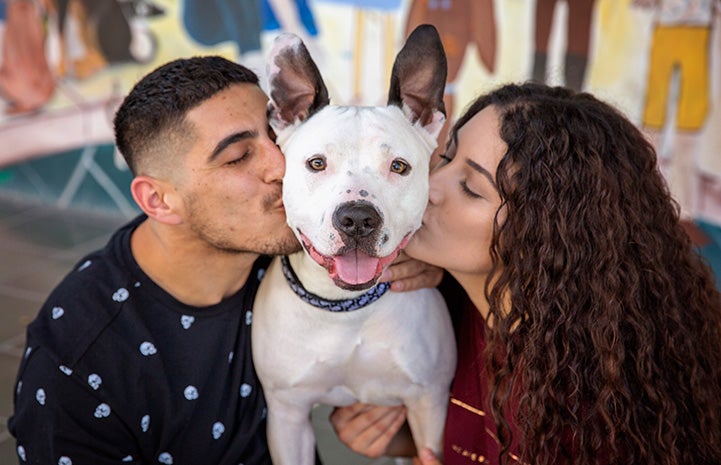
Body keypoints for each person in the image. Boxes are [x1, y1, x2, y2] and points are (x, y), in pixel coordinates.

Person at [8, 55, 440, 465]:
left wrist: (434, 268)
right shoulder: (77, 365)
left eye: (277, 136)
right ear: (158, 199)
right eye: (237, 156)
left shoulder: (304, 252)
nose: (281, 166)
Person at [331, 82, 721, 465]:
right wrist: (404, 439)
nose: (428, 185)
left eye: (470, 188)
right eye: (445, 158)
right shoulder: (434, 302)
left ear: (543, 236)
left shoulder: (601, 399)